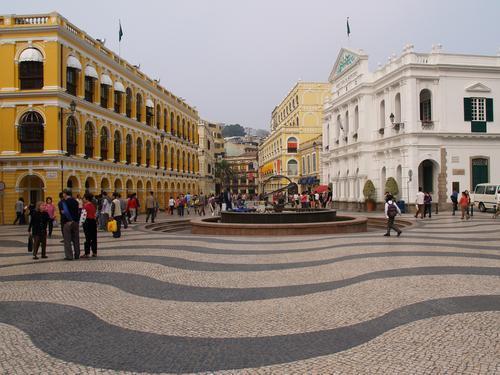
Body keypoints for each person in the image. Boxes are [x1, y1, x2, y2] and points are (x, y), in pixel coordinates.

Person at [61, 189, 80, 260]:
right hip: (75, 222)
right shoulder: (75, 201)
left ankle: (69, 256)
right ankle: (77, 254)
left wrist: (63, 213)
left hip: (68, 222)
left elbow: (65, 212)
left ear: (65, 194)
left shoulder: (64, 202)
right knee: (76, 239)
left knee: (67, 240)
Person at [81, 193, 97, 258]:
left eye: (84, 198)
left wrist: (81, 223)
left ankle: (87, 253)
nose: (83, 199)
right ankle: (94, 252)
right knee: (94, 238)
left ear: (87, 199)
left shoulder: (85, 206)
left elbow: (83, 216)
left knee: (87, 238)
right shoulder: (93, 205)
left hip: (87, 222)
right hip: (93, 222)